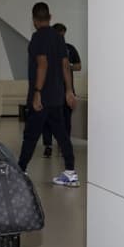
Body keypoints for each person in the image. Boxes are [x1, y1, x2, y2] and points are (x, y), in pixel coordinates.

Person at [16, 2, 79, 186]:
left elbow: (42, 64)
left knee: (31, 135)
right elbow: (65, 65)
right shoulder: (59, 38)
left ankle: (20, 170)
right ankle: (70, 172)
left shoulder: (37, 38)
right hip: (57, 97)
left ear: (34, 20)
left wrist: (37, 92)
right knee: (62, 134)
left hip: (41, 99)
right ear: (50, 17)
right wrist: (68, 91)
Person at [41, 23, 81, 158]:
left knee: (66, 119)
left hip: (67, 90)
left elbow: (78, 66)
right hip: (50, 90)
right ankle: (48, 145)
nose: (62, 38)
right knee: (47, 119)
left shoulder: (70, 49)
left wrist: (66, 66)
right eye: (59, 35)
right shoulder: (46, 48)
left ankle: (64, 145)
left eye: (63, 35)